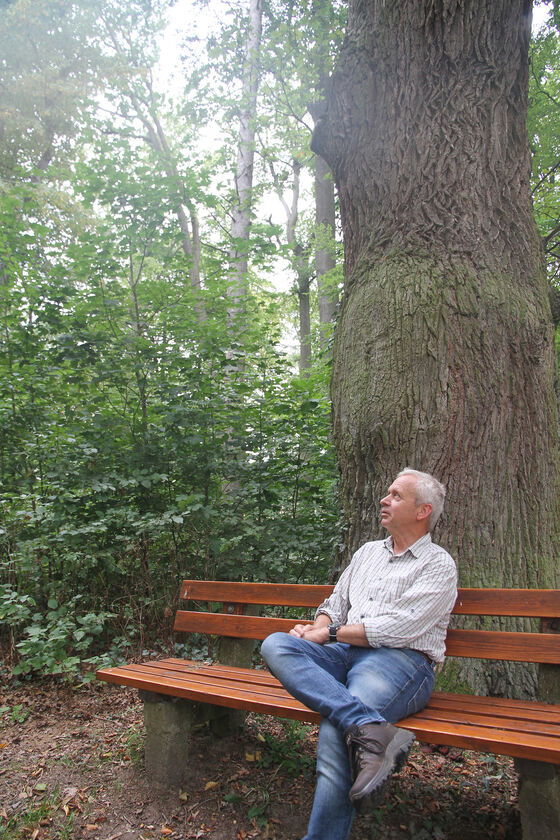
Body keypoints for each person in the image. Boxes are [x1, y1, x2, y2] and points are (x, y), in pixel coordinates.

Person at [260, 468, 457, 840]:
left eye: (397, 495)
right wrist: (317, 627)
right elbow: (335, 603)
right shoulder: (367, 553)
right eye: (388, 493)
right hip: (344, 653)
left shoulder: (438, 565)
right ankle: (372, 729)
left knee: (339, 727)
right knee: (277, 644)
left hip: (402, 663)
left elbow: (399, 629)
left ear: (422, 511)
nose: (385, 499)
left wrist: (328, 632)